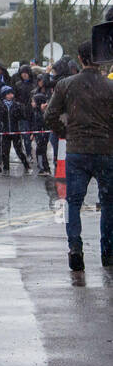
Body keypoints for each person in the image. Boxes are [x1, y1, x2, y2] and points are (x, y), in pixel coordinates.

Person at [44, 40, 113, 271]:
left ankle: (75, 247)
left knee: (73, 202)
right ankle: (108, 252)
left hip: (77, 150)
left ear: (80, 59)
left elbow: (50, 116)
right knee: (108, 203)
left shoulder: (66, 85)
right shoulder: (109, 86)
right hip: (105, 151)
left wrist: (66, 132)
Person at [0, 85, 31, 173]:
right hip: (5, 131)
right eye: (8, 94)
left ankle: (26, 166)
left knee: (19, 150)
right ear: (4, 95)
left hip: (15, 131)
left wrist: (20, 113)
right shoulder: (0, 106)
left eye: (11, 93)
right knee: (5, 151)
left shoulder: (17, 105)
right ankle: (6, 168)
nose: (10, 95)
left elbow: (23, 116)